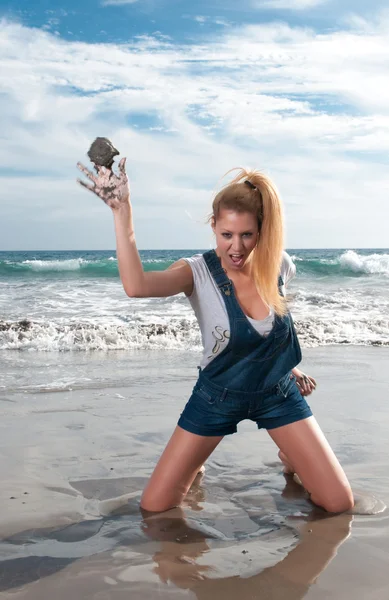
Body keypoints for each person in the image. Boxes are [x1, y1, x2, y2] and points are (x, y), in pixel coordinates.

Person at [77, 158, 354, 515]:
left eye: (246, 235)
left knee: (338, 504)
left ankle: (291, 456)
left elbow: (269, 330)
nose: (235, 247)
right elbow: (137, 286)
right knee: (155, 508)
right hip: (216, 398)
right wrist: (121, 211)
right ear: (214, 227)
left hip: (277, 393)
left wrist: (290, 369)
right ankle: (195, 464)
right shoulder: (195, 272)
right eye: (226, 235)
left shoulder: (278, 264)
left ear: (262, 231)